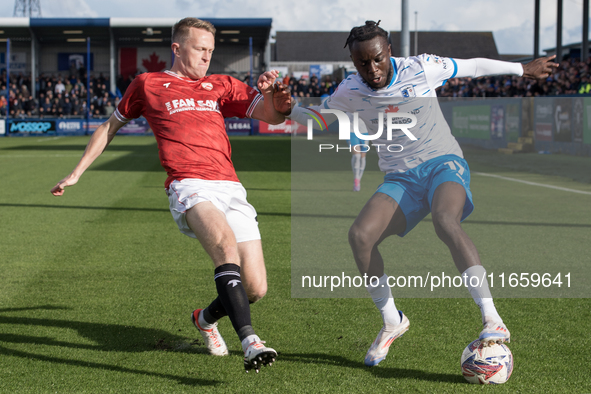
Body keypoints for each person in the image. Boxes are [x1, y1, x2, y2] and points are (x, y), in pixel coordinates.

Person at [288, 20, 557, 367]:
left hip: (442, 164)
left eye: (377, 59)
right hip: (401, 179)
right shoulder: (350, 90)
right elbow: (320, 121)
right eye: (362, 63)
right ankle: (391, 321)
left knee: (446, 220)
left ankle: (492, 318)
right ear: (354, 63)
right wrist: (288, 108)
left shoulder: (422, 67)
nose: (372, 70)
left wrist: (522, 68)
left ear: (389, 52)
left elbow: (473, 66)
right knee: (360, 236)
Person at [51, 17, 290, 373]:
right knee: (225, 248)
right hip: (188, 185)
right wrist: (76, 172)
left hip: (230, 186)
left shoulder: (222, 84)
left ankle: (205, 319)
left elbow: (273, 117)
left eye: (210, 50)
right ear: (177, 48)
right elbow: (109, 126)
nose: (207, 57)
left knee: (255, 287)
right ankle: (250, 341)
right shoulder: (148, 84)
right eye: (200, 49)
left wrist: (276, 97)